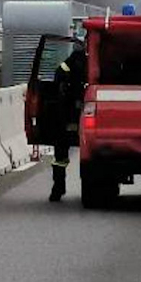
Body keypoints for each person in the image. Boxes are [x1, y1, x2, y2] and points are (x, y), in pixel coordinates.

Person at [49, 44, 88, 202]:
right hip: (86, 111)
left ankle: (58, 188)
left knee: (60, 153)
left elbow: (58, 77)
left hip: (68, 113)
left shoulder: (72, 60)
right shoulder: (94, 60)